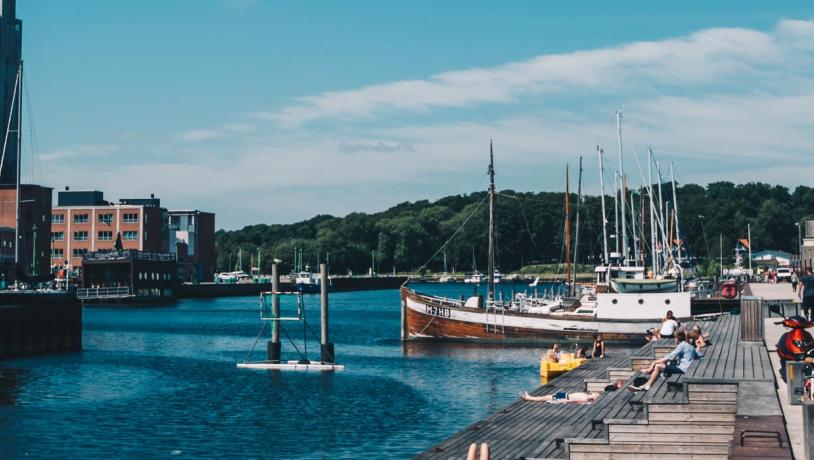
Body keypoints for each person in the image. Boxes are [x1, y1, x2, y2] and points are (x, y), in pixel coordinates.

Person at [630, 331, 702, 391]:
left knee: (658, 366)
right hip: (688, 367)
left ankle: (648, 383)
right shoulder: (689, 345)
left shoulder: (682, 345)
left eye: (675, 338)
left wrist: (654, 362)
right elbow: (699, 355)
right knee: (662, 364)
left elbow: (669, 357)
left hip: (683, 369)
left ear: (677, 339)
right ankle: (646, 384)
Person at [520, 390, 599, 404]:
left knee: (545, 398)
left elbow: (573, 401)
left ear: (594, 396)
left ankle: (528, 398)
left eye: (596, 394)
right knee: (547, 396)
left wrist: (563, 401)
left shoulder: (585, 398)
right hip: (565, 395)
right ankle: (529, 397)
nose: (596, 393)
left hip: (565, 397)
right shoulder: (586, 396)